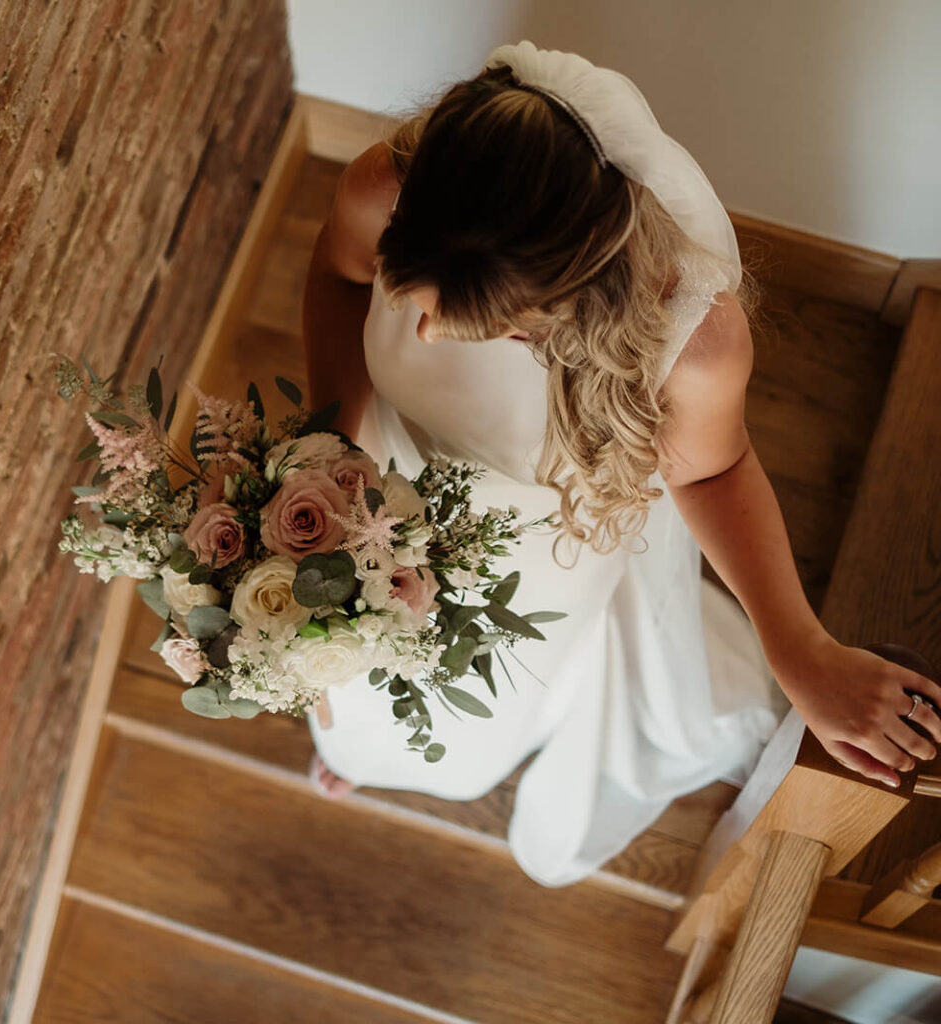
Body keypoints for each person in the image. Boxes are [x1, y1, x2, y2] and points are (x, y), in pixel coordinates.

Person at [301, 41, 941, 886]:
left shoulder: (689, 344)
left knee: (490, 689)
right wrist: (338, 444)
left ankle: (451, 760)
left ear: (578, 311)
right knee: (338, 649)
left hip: (541, 543)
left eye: (502, 328)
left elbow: (709, 473)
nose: (423, 337)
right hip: (383, 468)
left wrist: (803, 649)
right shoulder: (389, 185)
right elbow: (338, 281)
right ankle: (366, 749)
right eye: (418, 302)